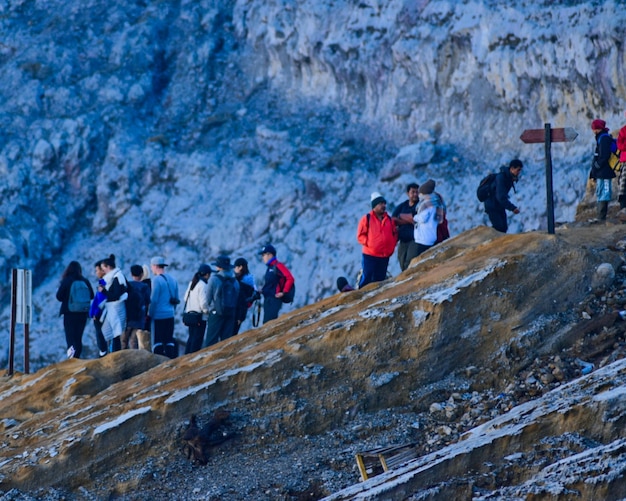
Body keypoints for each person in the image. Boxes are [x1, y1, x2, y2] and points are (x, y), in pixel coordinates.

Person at [356, 192, 398, 288]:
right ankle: (360, 297)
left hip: (384, 256)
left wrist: (392, 244)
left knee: (380, 279)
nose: (383, 206)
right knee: (367, 277)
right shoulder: (367, 218)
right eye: (381, 204)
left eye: (384, 203)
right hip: (370, 255)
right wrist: (369, 243)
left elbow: (394, 233)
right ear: (374, 206)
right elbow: (360, 235)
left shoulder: (389, 220)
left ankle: (376, 300)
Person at [56, 261, 94, 359]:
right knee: (78, 337)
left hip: (69, 312)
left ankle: (71, 358)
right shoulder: (85, 281)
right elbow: (92, 295)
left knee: (70, 337)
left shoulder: (67, 280)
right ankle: (77, 358)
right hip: (83, 312)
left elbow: (59, 296)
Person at [204, 256, 240, 347]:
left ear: (219, 267)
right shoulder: (235, 281)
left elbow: (207, 299)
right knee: (226, 341)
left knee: (211, 340)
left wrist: (207, 310)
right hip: (230, 313)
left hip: (216, 313)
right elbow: (237, 296)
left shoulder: (214, 279)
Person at [149, 255, 180, 358]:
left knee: (157, 341)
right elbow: (176, 298)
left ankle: (159, 364)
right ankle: (170, 360)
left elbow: (154, 300)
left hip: (158, 315)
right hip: (170, 314)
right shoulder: (173, 279)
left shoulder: (156, 280)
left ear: (155, 266)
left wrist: (150, 314)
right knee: (169, 340)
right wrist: (172, 311)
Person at [258, 245, 295, 324]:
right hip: (267, 299)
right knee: (266, 322)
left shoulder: (278, 266)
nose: (262, 257)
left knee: (269, 322)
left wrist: (284, 292)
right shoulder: (269, 268)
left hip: (274, 299)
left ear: (270, 255)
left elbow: (290, 278)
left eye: (264, 255)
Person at [99, 254, 128, 353]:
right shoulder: (109, 278)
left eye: (103, 268)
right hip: (111, 309)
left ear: (108, 267)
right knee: (108, 332)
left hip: (116, 308)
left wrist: (104, 292)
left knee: (116, 332)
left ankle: (116, 353)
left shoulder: (117, 276)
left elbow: (116, 294)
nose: (103, 271)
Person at [484, 159, 523, 233]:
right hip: (492, 205)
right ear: (512, 169)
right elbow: (500, 197)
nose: (519, 172)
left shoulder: (508, 178)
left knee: (503, 228)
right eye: (518, 170)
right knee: (499, 228)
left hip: (498, 206)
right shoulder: (501, 178)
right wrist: (512, 208)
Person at [590, 119, 616, 220]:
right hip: (601, 172)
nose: (593, 130)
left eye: (594, 128)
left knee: (605, 193)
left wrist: (596, 166)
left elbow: (604, 156)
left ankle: (601, 217)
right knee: (600, 192)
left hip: (605, 171)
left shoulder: (604, 139)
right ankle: (600, 216)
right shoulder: (601, 138)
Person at [183, 263, 211, 354]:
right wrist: (207, 311)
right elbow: (203, 302)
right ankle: (193, 358)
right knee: (197, 339)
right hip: (200, 317)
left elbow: (185, 298)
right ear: (207, 274)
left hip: (190, 315)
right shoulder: (203, 285)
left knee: (191, 338)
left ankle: (186, 356)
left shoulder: (193, 283)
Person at [121, 264, 151, 350]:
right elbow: (147, 303)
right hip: (139, 318)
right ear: (142, 274)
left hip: (127, 318)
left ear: (131, 274)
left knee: (123, 342)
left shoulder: (127, 286)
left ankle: (123, 359)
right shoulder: (145, 287)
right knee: (134, 342)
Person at [413, 179, 446, 256]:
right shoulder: (437, 202)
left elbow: (422, 218)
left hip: (424, 238)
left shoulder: (427, 204)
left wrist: (415, 217)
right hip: (432, 235)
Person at [391, 183, 420, 271]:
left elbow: (415, 219)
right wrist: (407, 219)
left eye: (417, 192)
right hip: (402, 240)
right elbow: (393, 220)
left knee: (410, 262)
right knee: (402, 262)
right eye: (413, 192)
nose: (415, 194)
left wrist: (401, 217)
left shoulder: (420, 205)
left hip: (415, 238)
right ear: (408, 193)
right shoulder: (402, 206)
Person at [233, 257, 258, 335]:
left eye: (235, 267)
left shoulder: (242, 282)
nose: (234, 269)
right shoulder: (249, 280)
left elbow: (242, 301)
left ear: (240, 267)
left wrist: (240, 317)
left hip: (237, 313)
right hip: (241, 312)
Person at [89, 259, 109, 357]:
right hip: (99, 313)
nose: (96, 273)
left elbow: (102, 301)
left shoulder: (104, 283)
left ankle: (103, 353)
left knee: (100, 334)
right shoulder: (102, 282)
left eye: (97, 270)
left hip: (100, 315)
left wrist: (95, 313)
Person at [615, 116, 626, 209]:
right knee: (623, 185)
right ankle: (623, 209)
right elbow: (620, 146)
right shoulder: (623, 130)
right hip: (625, 162)